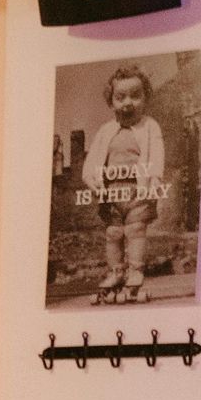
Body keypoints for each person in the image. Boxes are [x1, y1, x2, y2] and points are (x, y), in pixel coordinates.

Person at [82, 61, 166, 306]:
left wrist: (155, 181)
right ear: (112, 102)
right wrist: (92, 181)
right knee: (113, 232)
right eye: (121, 97)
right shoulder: (105, 131)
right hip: (111, 193)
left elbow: (157, 154)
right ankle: (117, 272)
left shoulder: (149, 127)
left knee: (136, 229)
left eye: (136, 96)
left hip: (138, 189)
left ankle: (136, 269)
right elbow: (92, 160)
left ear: (146, 97)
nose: (128, 102)